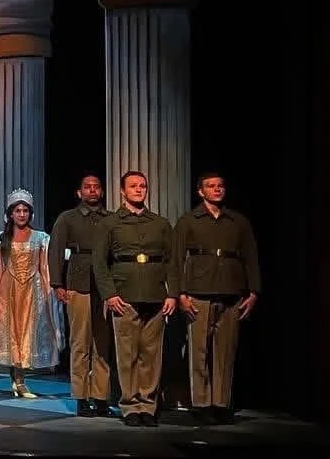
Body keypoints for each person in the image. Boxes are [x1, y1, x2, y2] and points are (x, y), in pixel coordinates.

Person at [91, 170, 179, 427]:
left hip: (154, 294)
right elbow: (100, 263)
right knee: (127, 354)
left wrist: (172, 293)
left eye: (142, 186)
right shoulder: (110, 223)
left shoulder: (160, 223)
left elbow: (172, 263)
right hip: (124, 294)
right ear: (122, 191)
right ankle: (130, 405)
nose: (139, 190)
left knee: (151, 355)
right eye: (133, 186)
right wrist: (109, 295)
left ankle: (148, 406)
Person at [172, 172, 261, 424]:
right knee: (199, 351)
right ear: (201, 191)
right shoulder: (189, 221)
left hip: (232, 292)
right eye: (211, 186)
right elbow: (176, 260)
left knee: (225, 352)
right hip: (198, 292)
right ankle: (201, 403)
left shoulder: (238, 222)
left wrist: (254, 291)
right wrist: (179, 293)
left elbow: (251, 257)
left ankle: (221, 403)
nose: (217, 189)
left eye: (220, 185)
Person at [0, 189, 62, 398]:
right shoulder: (1, 238)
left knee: (27, 333)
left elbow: (55, 255)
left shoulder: (41, 238)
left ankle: (20, 380)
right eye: (18, 210)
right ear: (11, 214)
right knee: (11, 333)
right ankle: (18, 381)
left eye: (25, 210)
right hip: (9, 292)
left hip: (32, 293)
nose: (22, 214)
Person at [49, 173, 112, 416]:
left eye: (97, 187)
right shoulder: (68, 218)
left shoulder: (111, 219)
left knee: (103, 343)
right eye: (88, 187)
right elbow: (55, 250)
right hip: (78, 281)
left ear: (102, 191)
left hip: (106, 286)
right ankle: (81, 395)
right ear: (79, 192)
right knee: (80, 342)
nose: (93, 190)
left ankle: (101, 395)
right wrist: (57, 283)